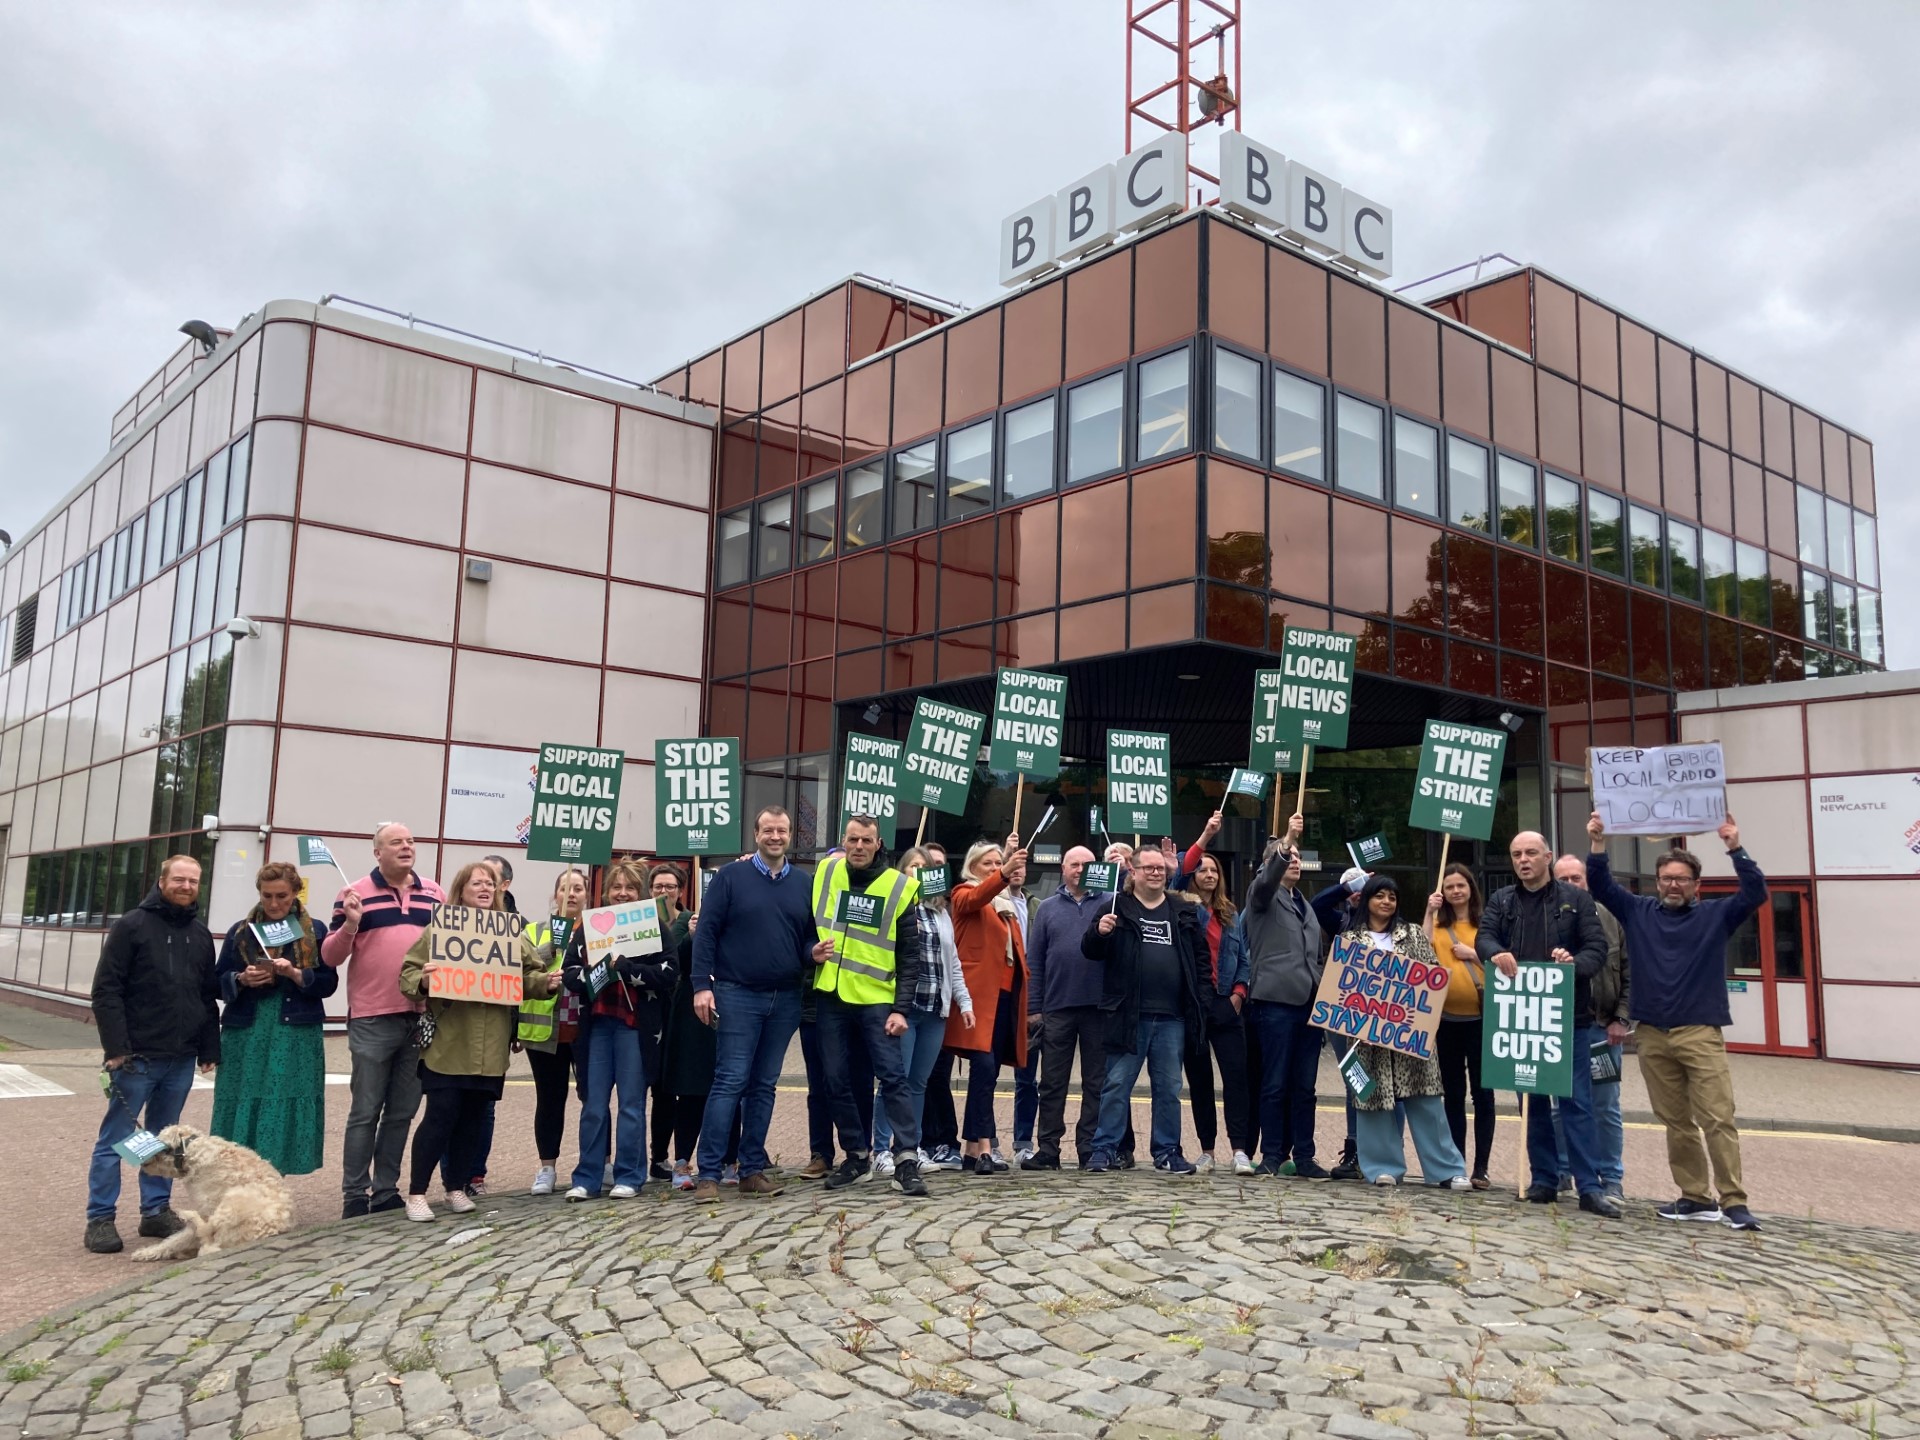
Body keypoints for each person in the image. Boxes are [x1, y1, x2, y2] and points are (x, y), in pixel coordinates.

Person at [1586, 812, 1767, 1231]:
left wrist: (1734, 846)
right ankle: (1694, 1197)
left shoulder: (1716, 916)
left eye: (1682, 879)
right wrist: (1597, 842)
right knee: (1676, 1122)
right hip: (1651, 1034)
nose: (1673, 884)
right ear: (1657, 881)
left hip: (1699, 1032)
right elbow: (1601, 887)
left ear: (1696, 885)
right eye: (1666, 877)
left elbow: (1756, 892)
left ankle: (1734, 1201)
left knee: (1717, 1118)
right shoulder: (1639, 912)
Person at [398, 862, 558, 1221]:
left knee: (473, 1117)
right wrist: (423, 981)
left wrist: (544, 984)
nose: (485, 888)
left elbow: (530, 974)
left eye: (491, 884)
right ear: (461, 890)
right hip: (450, 1041)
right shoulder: (440, 928)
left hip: (491, 1044)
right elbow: (408, 972)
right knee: (440, 1116)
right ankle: (417, 1193)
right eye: (476, 883)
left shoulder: (512, 934)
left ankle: (456, 1187)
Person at [690, 805, 832, 1201]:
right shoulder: (730, 877)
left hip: (785, 997)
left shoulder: (804, 884)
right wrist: (702, 985)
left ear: (791, 836)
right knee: (729, 1082)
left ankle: (752, 1170)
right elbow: (707, 933)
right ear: (756, 834)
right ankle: (709, 1175)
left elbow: (803, 937)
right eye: (768, 829)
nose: (775, 836)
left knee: (764, 1086)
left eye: (782, 830)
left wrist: (812, 953)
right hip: (736, 994)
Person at [1477, 830, 1617, 1219]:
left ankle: (1590, 1186)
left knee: (1577, 1103)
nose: (1523, 859)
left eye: (1531, 853)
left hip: (1566, 1018)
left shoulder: (1577, 900)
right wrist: (1496, 953)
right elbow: (1483, 937)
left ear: (1547, 857)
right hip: (1522, 1018)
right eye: (1517, 853)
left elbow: (1597, 950)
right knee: (1531, 1104)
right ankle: (1543, 1179)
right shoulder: (1501, 900)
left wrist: (1573, 964)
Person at [84, 854, 220, 1254]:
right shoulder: (132, 926)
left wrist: (209, 1047)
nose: (186, 887)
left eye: (193, 881)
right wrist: (116, 1048)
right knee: (117, 1138)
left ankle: (155, 1211)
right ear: (162, 881)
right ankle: (100, 1217)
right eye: (179, 879)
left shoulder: (200, 934)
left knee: (165, 1141)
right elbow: (106, 990)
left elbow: (205, 996)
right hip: (136, 1057)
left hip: (180, 1058)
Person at [324, 823, 446, 1217]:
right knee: (365, 1111)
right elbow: (330, 957)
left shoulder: (435, 893)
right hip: (373, 1018)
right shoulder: (353, 893)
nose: (407, 847)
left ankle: (385, 1190)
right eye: (397, 842)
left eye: (411, 841)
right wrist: (350, 923)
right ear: (378, 852)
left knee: (402, 1111)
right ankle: (355, 1195)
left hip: (421, 1017)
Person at [809, 815, 929, 1196]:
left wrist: (901, 1009)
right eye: (852, 839)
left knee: (893, 1078)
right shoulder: (826, 872)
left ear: (879, 844)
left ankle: (906, 1159)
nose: (858, 846)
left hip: (878, 999)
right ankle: (857, 1156)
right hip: (831, 993)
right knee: (834, 1079)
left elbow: (911, 956)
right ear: (842, 840)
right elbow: (802, 924)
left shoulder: (899, 886)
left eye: (866, 840)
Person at [1082, 846, 1209, 1174]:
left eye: (1160, 868)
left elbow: (1201, 961)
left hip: (1172, 1017)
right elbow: (1090, 950)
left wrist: (1202, 1000)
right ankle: (1105, 1149)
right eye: (1148, 868)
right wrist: (1100, 932)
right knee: (1116, 1085)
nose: (1155, 873)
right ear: (1132, 872)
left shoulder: (1182, 909)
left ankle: (1167, 1151)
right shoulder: (1116, 908)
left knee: (1168, 1088)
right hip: (1128, 1015)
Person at [1341, 876, 1468, 1189]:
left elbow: (1430, 975)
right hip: (1366, 1039)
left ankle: (1446, 1170)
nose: (1386, 902)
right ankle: (1382, 1168)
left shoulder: (1412, 933)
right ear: (1367, 900)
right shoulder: (1350, 940)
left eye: (1392, 897)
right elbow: (1342, 989)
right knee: (1372, 1100)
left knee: (1427, 1102)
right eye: (1379, 896)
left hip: (1410, 1034)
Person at [211, 861, 337, 1175]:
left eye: (281, 895)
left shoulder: (316, 931)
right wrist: (242, 979)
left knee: (282, 1099)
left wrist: (295, 973)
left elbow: (328, 983)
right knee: (245, 1096)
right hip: (248, 1027)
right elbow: (215, 980)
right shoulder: (241, 931)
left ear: (296, 893)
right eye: (267, 896)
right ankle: (238, 1174)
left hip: (295, 1029)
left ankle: (273, 1175)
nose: (274, 903)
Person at [563, 859, 675, 1200]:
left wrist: (626, 968)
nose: (622, 893)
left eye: (629, 887)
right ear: (607, 892)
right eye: (616, 887)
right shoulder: (589, 927)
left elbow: (670, 973)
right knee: (593, 1105)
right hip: (597, 1026)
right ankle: (587, 1178)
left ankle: (629, 1175)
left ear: (639, 892)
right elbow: (569, 973)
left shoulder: (654, 926)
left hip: (634, 1027)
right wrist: (595, 975)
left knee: (631, 1104)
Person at [874, 846, 973, 1170]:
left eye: (924, 866)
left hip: (934, 1010)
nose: (917, 871)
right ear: (901, 873)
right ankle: (881, 1150)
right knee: (895, 1080)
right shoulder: (895, 907)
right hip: (904, 1008)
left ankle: (910, 1147)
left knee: (918, 1083)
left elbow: (953, 962)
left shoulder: (940, 912)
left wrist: (965, 1001)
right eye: (912, 866)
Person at [1243, 821, 1329, 1179]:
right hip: (1275, 1002)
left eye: (1297, 857)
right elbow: (1266, 880)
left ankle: (1304, 1155)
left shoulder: (1305, 905)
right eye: (1288, 858)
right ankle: (1272, 1154)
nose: (1295, 861)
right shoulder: (1261, 896)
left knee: (1304, 1087)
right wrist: (1287, 840)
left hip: (1309, 1005)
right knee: (1275, 1083)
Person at [947, 836, 1031, 1173]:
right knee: (983, 1069)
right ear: (972, 867)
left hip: (1004, 998)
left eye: (1000, 863)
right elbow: (977, 898)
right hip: (977, 999)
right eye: (989, 864)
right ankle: (983, 1148)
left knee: (989, 1074)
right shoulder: (964, 893)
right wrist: (1004, 873)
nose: (996, 869)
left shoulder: (1006, 905)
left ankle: (972, 1149)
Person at [649, 865, 735, 1189]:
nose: (664, 891)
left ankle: (731, 1158)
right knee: (691, 1091)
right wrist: (692, 936)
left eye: (670, 886)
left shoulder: (737, 917)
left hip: (730, 1007)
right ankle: (682, 1161)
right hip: (690, 1013)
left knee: (729, 1087)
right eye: (659, 886)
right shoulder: (687, 923)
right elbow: (678, 962)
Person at [1027, 845, 1111, 1170]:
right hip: (1057, 1008)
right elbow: (1034, 960)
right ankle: (1048, 1149)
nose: (1079, 870)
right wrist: (1034, 1008)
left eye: (1086, 864)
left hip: (1098, 1007)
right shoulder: (1047, 908)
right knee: (1051, 1083)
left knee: (1096, 1083)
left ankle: (1089, 1148)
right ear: (1063, 869)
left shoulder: (1109, 904)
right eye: (1074, 864)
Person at [1554, 852, 1630, 1201]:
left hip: (1602, 1028)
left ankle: (1610, 1176)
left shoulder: (1612, 918)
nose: (1570, 885)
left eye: (1576, 878)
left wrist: (1622, 1019)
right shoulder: (1545, 918)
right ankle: (1562, 1171)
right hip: (1558, 1028)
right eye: (1563, 880)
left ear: (1587, 881)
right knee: (1559, 1106)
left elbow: (1631, 972)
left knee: (1604, 1106)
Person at [1179, 848, 1255, 1174]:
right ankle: (1207, 1150)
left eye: (1213, 871)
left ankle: (1240, 1150)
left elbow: (1244, 959)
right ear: (1192, 877)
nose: (1208, 875)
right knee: (1200, 1081)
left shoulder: (1231, 914)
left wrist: (1239, 993)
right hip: (1194, 1005)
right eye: (1202, 870)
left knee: (1237, 1078)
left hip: (1226, 1003)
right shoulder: (1183, 910)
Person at [1424, 863, 1495, 1190]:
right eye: (1449, 886)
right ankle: (1456, 1165)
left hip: (1482, 1021)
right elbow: (1421, 956)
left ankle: (1481, 1167)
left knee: (1483, 1094)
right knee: (1453, 1095)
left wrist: (1473, 954)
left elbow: (1504, 964)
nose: (1455, 891)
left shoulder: (1487, 925)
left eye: (1460, 886)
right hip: (1447, 1022)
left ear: (1470, 888)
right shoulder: (1437, 926)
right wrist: (1428, 912)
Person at [518, 869, 588, 1195]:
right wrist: (554, 945)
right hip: (546, 1032)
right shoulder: (533, 930)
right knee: (549, 1100)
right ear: (554, 895)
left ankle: (596, 1162)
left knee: (593, 1098)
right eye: (564, 888)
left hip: (587, 1029)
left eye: (577, 888)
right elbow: (524, 969)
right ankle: (547, 1168)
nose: (570, 894)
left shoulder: (597, 928)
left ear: (587, 896)